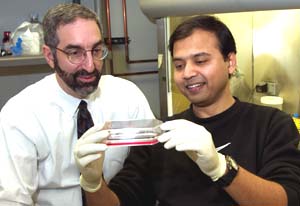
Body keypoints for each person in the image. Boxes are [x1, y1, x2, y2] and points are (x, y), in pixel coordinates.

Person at [74, 15, 300, 206]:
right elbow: (119, 201)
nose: (188, 73)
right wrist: (93, 183)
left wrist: (221, 168)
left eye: (200, 61)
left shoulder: (271, 124)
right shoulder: (160, 134)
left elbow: (287, 198)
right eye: (179, 65)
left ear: (230, 62)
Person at [0, 3, 154, 206]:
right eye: (75, 53)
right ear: (49, 56)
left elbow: (150, 170)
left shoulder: (127, 97)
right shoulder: (20, 114)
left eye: (97, 50)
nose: (90, 65)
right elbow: (13, 201)